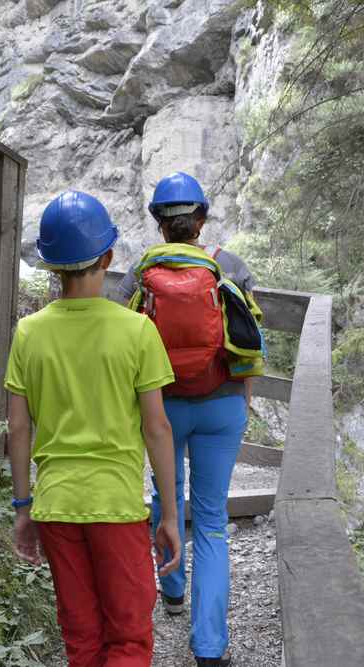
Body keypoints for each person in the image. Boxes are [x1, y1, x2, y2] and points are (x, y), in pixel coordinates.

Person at [5, 190, 183, 667]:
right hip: (115, 505)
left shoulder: (29, 333)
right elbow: (158, 428)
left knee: (81, 638)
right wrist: (168, 515)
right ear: (107, 256)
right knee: (128, 638)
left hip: (57, 505)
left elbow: (18, 429)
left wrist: (23, 507)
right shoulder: (137, 331)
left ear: (50, 265)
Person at [118, 172, 263, 667]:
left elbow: (121, 335)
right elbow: (249, 337)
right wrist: (242, 399)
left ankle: (172, 589)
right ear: (201, 219)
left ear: (160, 223)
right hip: (221, 405)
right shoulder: (230, 265)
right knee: (213, 523)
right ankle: (208, 648)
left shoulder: (140, 271)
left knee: (164, 496)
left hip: (162, 406)